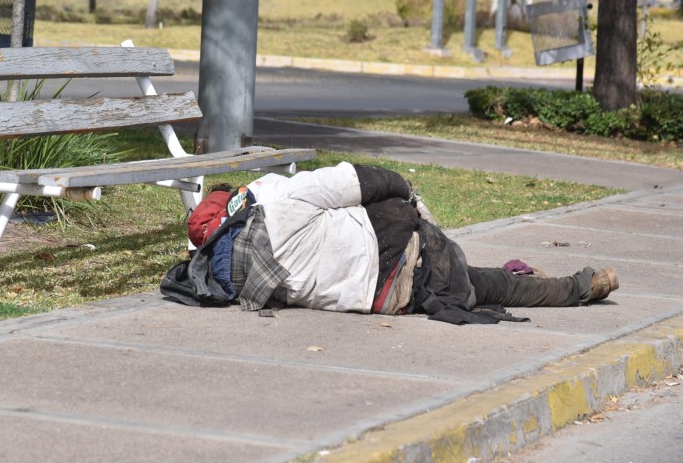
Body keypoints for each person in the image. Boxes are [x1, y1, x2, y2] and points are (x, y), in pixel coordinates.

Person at [161, 163, 619, 325]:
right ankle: (576, 286)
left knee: (479, 285)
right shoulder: (284, 203)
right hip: (412, 253)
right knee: (491, 283)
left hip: (389, 298)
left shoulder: (239, 281)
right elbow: (362, 178)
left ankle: (559, 284)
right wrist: (412, 198)